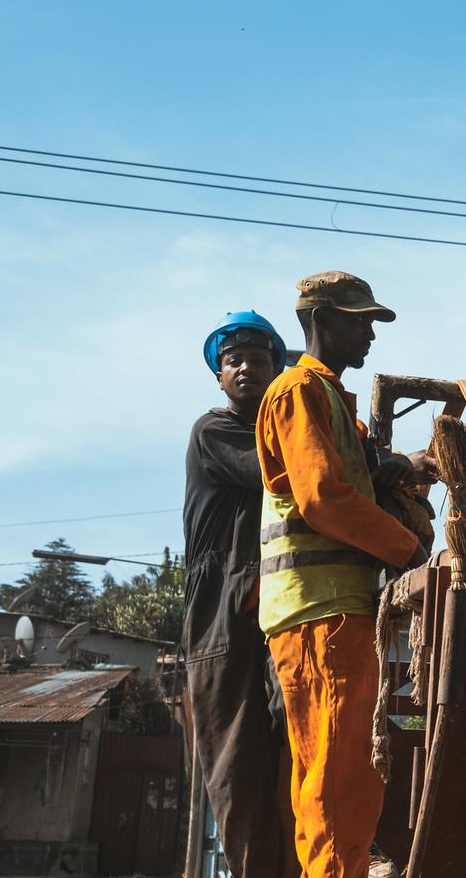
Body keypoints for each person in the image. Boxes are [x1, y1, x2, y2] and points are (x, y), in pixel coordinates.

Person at [256, 271, 436, 878]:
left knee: (337, 771)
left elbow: (353, 469)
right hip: (320, 610)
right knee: (338, 778)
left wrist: (396, 467)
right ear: (320, 320)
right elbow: (324, 497)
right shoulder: (297, 391)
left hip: (329, 611)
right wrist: (409, 550)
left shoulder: (327, 399)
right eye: (359, 321)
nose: (369, 334)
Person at [183, 310, 298, 878]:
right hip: (221, 609)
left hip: (274, 593)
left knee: (292, 735)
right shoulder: (216, 430)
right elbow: (280, 474)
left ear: (277, 367)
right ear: (219, 376)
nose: (247, 368)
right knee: (236, 754)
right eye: (234, 361)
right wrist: (380, 462)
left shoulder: (282, 429)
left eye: (259, 358)